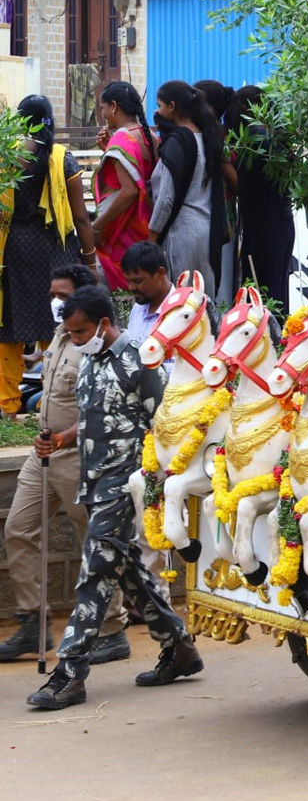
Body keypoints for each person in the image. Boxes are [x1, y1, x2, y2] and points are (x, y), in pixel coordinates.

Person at [26, 285, 202, 710]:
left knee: (95, 571)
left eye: (82, 331)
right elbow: (95, 422)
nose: (76, 339)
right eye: (70, 333)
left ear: (105, 323)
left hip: (126, 485)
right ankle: (179, 647)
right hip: (93, 481)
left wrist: (157, 487)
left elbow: (166, 428)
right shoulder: (90, 361)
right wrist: (62, 440)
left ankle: (70, 672)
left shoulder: (140, 362)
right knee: (123, 569)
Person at [0, 265, 129, 664]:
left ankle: (111, 629)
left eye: (62, 294)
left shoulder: (96, 342)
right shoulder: (59, 334)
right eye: (53, 294)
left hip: (79, 456)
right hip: (42, 453)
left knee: (94, 540)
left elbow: (102, 407)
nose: (55, 302)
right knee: (18, 529)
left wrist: (62, 438)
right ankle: (33, 623)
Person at [0, 95, 98, 416]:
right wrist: (90, 258)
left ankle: (8, 405)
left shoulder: (8, 158)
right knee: (57, 320)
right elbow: (81, 217)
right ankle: (50, 400)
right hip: (56, 248)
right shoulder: (62, 158)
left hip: (15, 250)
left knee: (12, 322)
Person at [149, 80, 226, 297]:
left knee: (182, 305)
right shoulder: (207, 137)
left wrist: (152, 239)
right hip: (207, 231)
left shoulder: (178, 142)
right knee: (204, 303)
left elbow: (165, 200)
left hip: (182, 233)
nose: (157, 111)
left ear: (172, 106)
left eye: (160, 105)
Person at [228, 85, 295, 311]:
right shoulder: (275, 137)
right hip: (279, 224)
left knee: (259, 294)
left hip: (263, 227)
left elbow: (242, 187)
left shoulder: (255, 141)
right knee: (276, 291)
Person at [91, 81, 156, 289]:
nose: (102, 115)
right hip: (145, 224)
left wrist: (97, 225)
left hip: (122, 228)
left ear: (114, 106)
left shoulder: (122, 139)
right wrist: (108, 150)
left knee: (123, 288)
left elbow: (129, 191)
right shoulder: (150, 137)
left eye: (103, 108)